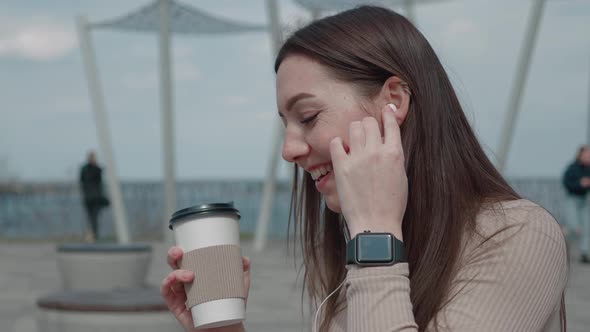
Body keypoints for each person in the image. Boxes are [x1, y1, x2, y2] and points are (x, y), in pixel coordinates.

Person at [161, 6, 567, 332]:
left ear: (393, 99)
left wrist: (375, 235)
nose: (289, 150)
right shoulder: (348, 246)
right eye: (286, 125)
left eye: (308, 116)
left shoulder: (518, 235)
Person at [562, 145, 590, 263]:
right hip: (572, 199)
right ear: (580, 155)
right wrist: (580, 184)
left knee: (587, 227)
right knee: (574, 227)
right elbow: (566, 183)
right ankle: (563, 247)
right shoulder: (572, 168)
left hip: (584, 200)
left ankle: (584, 253)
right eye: (586, 155)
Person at [79, 151, 108, 242]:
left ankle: (93, 235)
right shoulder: (85, 169)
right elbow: (82, 181)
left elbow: (99, 179)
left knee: (94, 217)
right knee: (91, 217)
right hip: (89, 197)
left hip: (95, 198)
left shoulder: (96, 169)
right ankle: (92, 236)